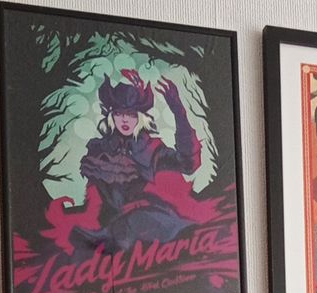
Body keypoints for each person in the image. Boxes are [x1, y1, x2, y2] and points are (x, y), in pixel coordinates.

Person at [42, 69, 216, 256]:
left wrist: (178, 111)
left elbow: (189, 164)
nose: (125, 120)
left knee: (135, 221)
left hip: (150, 221)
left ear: (140, 118)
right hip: (111, 226)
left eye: (131, 115)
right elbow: (94, 197)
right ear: (111, 116)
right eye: (119, 113)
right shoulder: (99, 149)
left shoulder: (151, 148)